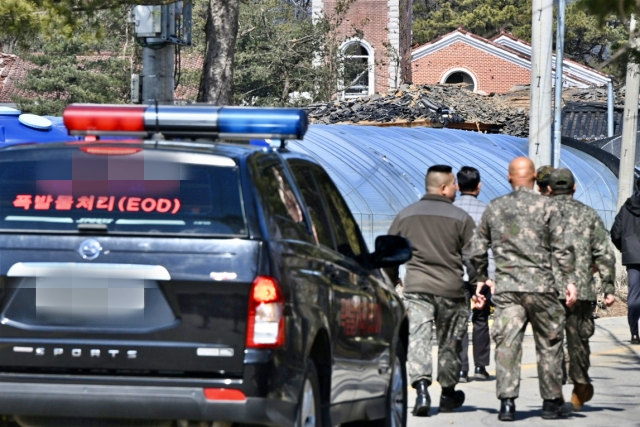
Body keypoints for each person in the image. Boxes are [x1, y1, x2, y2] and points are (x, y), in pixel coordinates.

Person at [471, 157, 577, 422]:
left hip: (507, 290)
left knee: (507, 344)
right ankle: (551, 402)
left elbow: (477, 247)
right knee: (549, 343)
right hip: (543, 288)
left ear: (509, 178)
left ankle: (507, 403)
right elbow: (562, 248)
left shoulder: (495, 207)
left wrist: (482, 276)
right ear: (534, 179)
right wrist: (569, 281)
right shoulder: (548, 206)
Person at [386, 164, 482, 416]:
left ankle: (421, 390)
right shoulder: (460, 218)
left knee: (418, 337)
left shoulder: (405, 215)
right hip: (451, 290)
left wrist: (392, 281)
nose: (456, 189)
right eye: (453, 185)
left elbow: (390, 254)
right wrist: (476, 285)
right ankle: (448, 393)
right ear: (443, 188)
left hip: (417, 288)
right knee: (450, 341)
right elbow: (473, 257)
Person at [549, 168, 616, 411]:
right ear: (574, 187)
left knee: (551, 341)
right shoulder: (588, 215)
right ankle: (579, 384)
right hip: (582, 288)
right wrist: (608, 287)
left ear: (549, 189)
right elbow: (604, 253)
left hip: (548, 289)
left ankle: (553, 394)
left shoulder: (540, 214)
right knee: (579, 341)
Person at [454, 166, 492, 383]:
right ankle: (480, 366)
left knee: (459, 320)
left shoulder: (450, 211)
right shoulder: (487, 211)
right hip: (480, 272)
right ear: (479, 186)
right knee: (481, 318)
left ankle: (461, 369)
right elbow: (492, 246)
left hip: (456, 272)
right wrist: (489, 276)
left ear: (458, 186)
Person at [610, 176, 640, 345]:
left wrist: (624, 248)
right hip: (632, 254)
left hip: (632, 257)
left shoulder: (627, 207)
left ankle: (634, 334)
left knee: (634, 294)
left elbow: (615, 232)